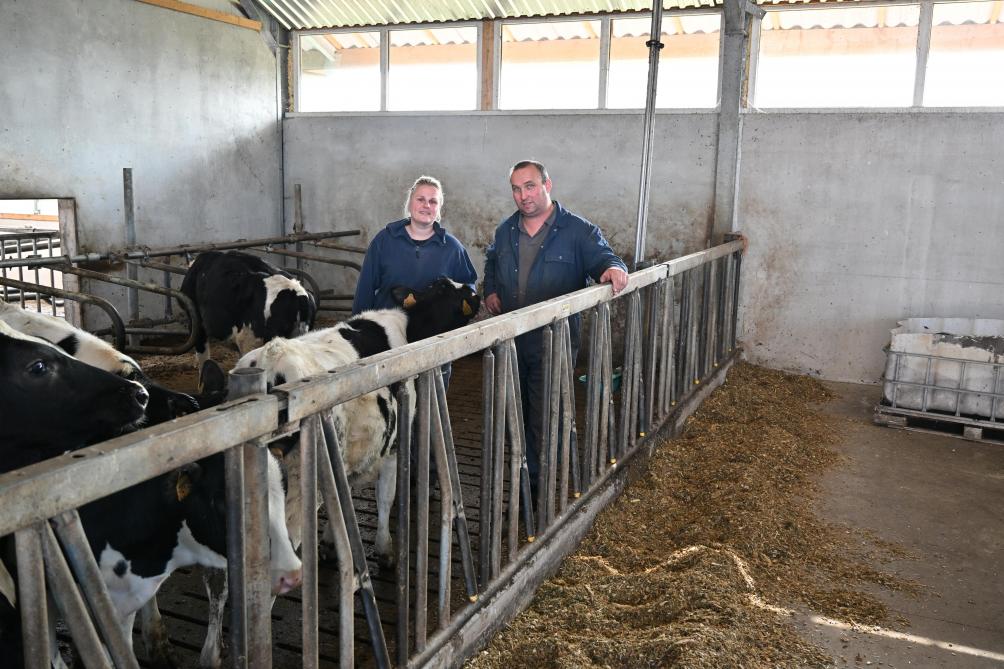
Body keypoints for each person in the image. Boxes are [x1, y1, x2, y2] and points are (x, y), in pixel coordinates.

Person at [483, 159, 628, 497]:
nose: (523, 195)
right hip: (510, 342)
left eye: (530, 186)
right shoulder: (506, 230)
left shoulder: (577, 230)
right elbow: (492, 260)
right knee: (513, 414)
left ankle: (543, 487)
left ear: (548, 185)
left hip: (553, 344)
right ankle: (525, 480)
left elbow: (605, 257)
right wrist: (490, 289)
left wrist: (612, 268)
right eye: (517, 189)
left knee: (546, 416)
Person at [353, 175, 477, 389]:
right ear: (410, 203)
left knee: (431, 407)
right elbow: (365, 289)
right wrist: (358, 335)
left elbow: (469, 290)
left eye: (433, 201)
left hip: (434, 348)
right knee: (390, 406)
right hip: (388, 343)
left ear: (439, 209)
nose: (426, 205)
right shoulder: (384, 241)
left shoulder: (452, 248)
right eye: (420, 199)